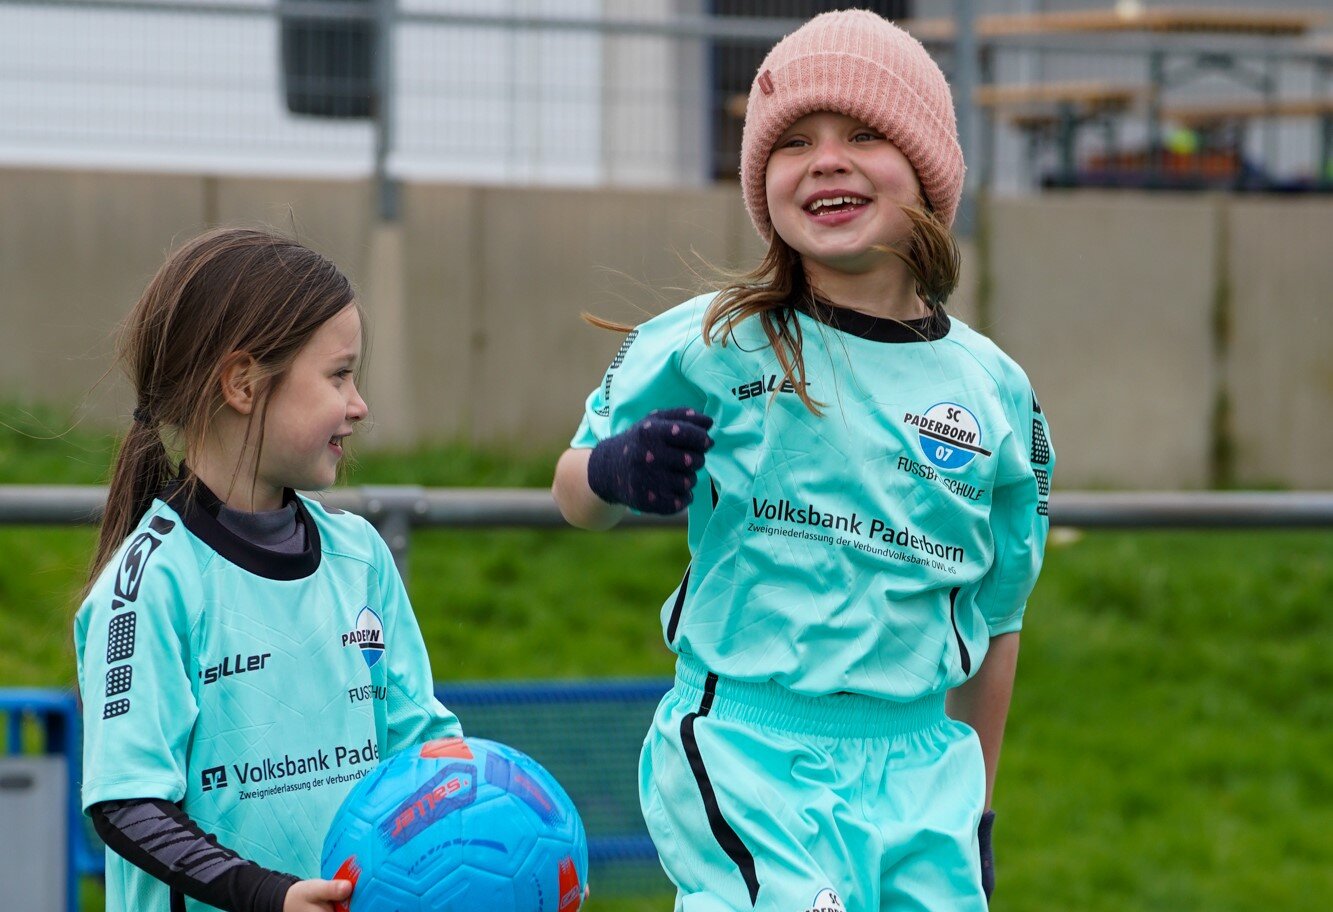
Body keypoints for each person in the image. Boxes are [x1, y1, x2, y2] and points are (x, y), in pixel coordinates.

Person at [552, 10, 1053, 911]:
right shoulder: (712, 341)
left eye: (863, 134)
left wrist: (975, 811)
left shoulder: (996, 392)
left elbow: (996, 624)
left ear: (930, 171)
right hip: (750, 750)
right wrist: (612, 474)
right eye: (792, 141)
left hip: (921, 774)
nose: (826, 159)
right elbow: (572, 490)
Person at [74, 228, 462, 912]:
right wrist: (268, 896)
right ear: (244, 384)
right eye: (339, 375)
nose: (359, 404)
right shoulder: (153, 583)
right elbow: (127, 802)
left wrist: (483, 817)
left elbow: (420, 749)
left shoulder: (359, 556)